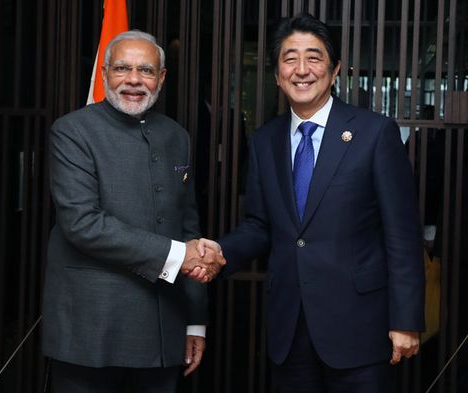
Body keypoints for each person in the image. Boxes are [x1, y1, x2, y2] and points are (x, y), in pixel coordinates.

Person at [197, 14, 425, 393]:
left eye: (314, 58)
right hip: (290, 329)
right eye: (289, 59)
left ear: (334, 70)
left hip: (360, 329)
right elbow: (260, 225)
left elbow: (401, 233)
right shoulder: (264, 141)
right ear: (276, 74)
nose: (301, 70)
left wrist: (405, 319)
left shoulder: (374, 133)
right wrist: (220, 251)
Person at [41, 30, 225, 393]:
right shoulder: (72, 131)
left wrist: (194, 322)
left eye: (146, 70)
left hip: (162, 330)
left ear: (162, 78)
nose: (134, 80)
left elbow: (187, 224)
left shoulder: (177, 136)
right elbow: (82, 224)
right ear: (105, 73)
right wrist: (180, 255)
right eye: (122, 68)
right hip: (90, 332)